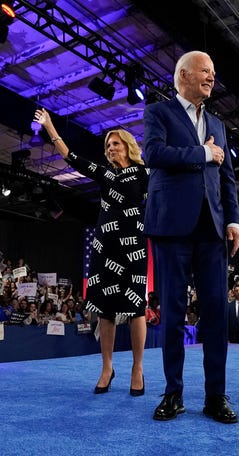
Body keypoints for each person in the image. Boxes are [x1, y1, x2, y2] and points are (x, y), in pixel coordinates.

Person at [143, 50, 239, 423]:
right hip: (171, 227)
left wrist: (234, 221)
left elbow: (228, 179)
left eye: (213, 72)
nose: (211, 77)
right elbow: (152, 153)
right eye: (205, 71)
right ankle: (173, 393)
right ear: (183, 75)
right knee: (171, 314)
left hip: (213, 230)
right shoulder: (159, 113)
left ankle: (216, 396)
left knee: (216, 314)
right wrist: (201, 153)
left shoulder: (218, 123)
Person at [34, 108, 149, 397]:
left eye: (115, 144)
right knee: (105, 310)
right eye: (108, 145)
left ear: (127, 146)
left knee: (136, 310)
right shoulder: (105, 173)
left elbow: (163, 197)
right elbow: (70, 157)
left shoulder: (144, 173)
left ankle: (138, 368)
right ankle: (107, 368)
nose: (110, 148)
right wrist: (50, 126)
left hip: (133, 247)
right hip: (104, 247)